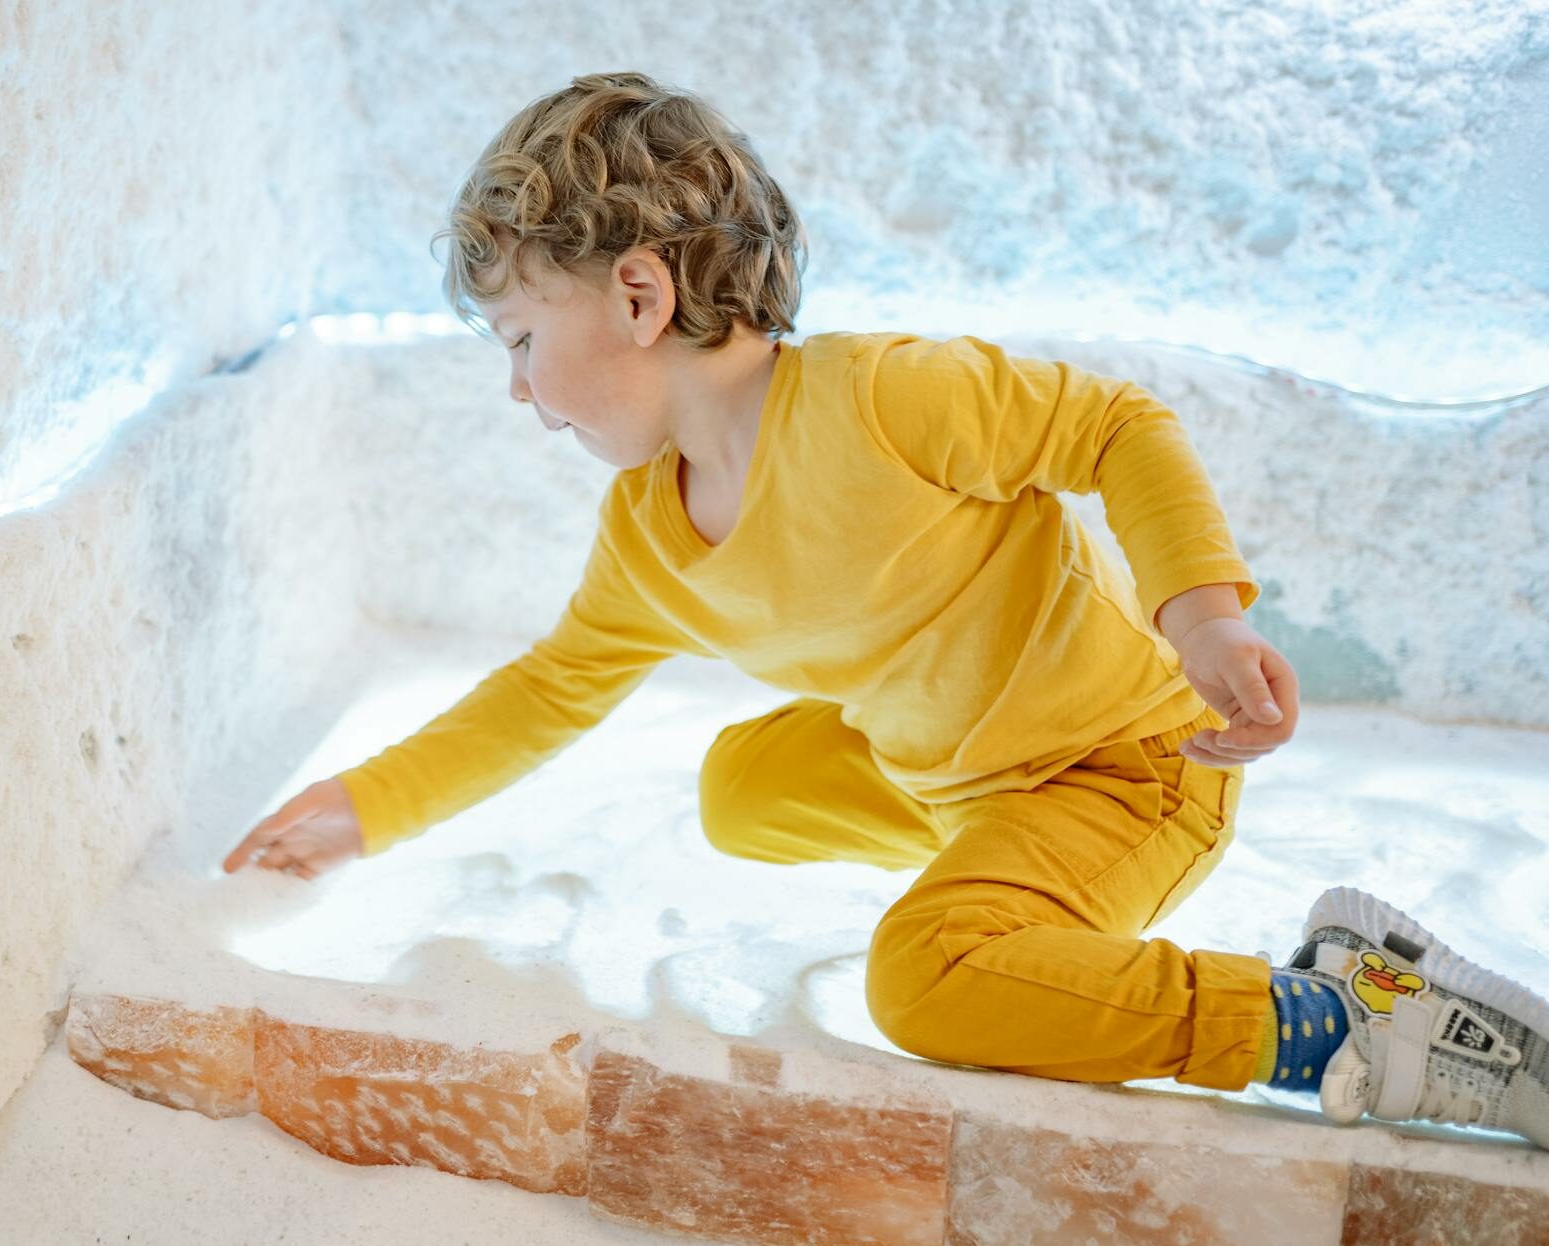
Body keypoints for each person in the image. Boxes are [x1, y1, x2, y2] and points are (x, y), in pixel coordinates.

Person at [221, 72, 1547, 1150]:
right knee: (742, 784)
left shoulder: (879, 400)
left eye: (518, 340)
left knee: (920, 976)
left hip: (1132, 765)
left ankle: (1334, 1017)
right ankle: (1008, 879)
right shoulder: (645, 533)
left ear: (638, 296)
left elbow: (1115, 426)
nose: (518, 389)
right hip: (963, 775)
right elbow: (551, 687)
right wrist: (364, 802)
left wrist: (1201, 619)